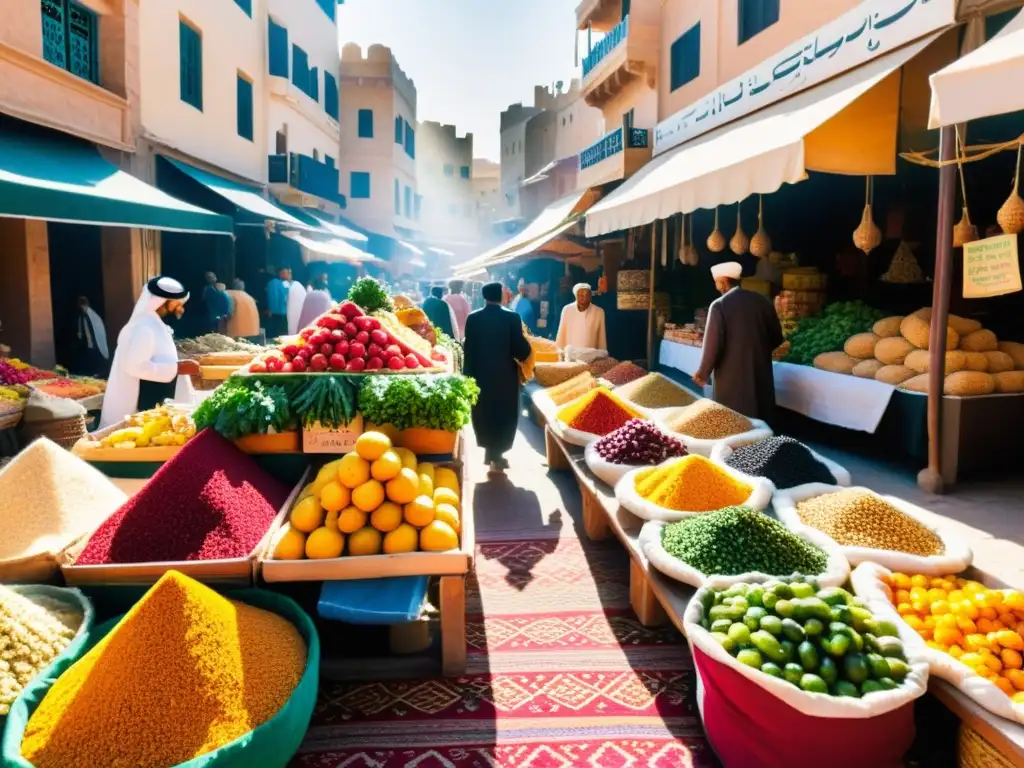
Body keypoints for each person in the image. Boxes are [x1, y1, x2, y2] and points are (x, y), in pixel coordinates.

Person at [99, 277, 200, 428]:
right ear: (161, 302)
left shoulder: (154, 323)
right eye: (177, 304)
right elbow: (134, 366)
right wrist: (177, 368)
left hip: (154, 398)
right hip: (143, 402)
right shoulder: (144, 327)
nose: (181, 309)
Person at [693, 261, 784, 423]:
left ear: (724, 281)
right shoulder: (763, 301)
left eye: (716, 282)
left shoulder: (719, 305)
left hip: (731, 374)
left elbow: (713, 346)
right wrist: (758, 351)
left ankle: (739, 444)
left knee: (734, 419)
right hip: (760, 369)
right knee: (761, 413)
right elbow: (777, 336)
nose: (715, 286)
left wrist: (703, 373)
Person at [463, 281, 531, 473]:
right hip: (505, 376)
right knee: (504, 412)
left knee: (483, 411)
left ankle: (490, 451)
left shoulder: (473, 318)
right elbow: (520, 348)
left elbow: (468, 350)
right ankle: (497, 453)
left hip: (479, 374)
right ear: (501, 296)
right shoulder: (512, 317)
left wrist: (467, 375)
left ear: (484, 296)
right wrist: (528, 351)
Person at [555, 283, 607, 352]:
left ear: (590, 296)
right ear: (576, 296)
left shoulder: (599, 312)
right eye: (581, 295)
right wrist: (559, 351)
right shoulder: (567, 309)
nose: (584, 298)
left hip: (591, 357)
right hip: (569, 356)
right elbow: (561, 334)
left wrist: (602, 354)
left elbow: (601, 338)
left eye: (587, 295)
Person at [70, 296, 109, 377]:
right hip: (87, 343)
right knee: (89, 358)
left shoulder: (93, 316)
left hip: (94, 343)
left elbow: (98, 329)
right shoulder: (82, 316)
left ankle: (99, 373)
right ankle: (91, 373)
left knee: (97, 357)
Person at [265, 267, 290, 339]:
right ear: (280, 274)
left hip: (283, 311)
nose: (286, 275)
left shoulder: (285, 284)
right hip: (275, 311)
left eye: (287, 273)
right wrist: (269, 309)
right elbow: (270, 297)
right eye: (284, 273)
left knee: (279, 330)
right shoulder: (273, 283)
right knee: (274, 329)